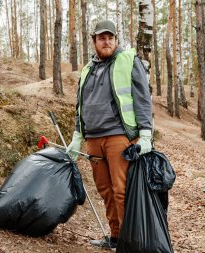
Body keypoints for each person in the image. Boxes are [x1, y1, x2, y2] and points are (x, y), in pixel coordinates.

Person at [66, 19, 153, 250]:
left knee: (121, 190)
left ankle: (129, 242)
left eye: (110, 38)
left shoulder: (128, 61)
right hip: (93, 139)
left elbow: (143, 99)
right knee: (105, 191)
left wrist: (145, 135)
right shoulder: (87, 69)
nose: (106, 42)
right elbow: (80, 105)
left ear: (116, 40)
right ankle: (115, 237)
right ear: (94, 41)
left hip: (119, 137)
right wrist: (77, 136)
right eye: (102, 38)